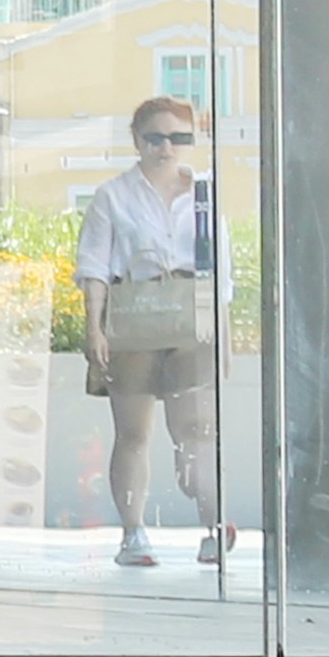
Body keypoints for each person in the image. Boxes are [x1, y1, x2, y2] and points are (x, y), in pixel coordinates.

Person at [79, 91, 230, 570]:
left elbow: (222, 274)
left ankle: (213, 524)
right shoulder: (114, 195)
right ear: (137, 140)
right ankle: (133, 532)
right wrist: (94, 328)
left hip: (192, 317)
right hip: (135, 313)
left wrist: (223, 334)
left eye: (178, 137)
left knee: (197, 431)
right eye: (156, 137)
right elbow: (95, 266)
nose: (167, 147)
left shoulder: (205, 192)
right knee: (133, 433)